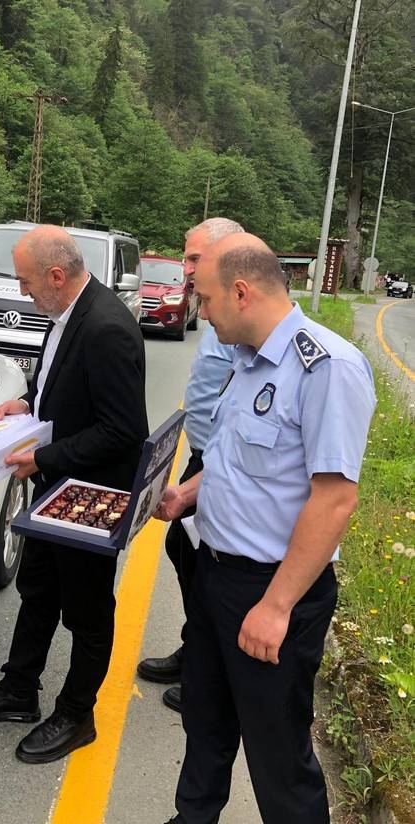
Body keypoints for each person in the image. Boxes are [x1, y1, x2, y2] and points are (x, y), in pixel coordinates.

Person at [157, 233, 375, 824]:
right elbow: (234, 461)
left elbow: (334, 500)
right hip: (216, 579)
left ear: (241, 291)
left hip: (272, 593)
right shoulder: (248, 360)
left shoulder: (326, 367)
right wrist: (186, 495)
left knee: (278, 757)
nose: (202, 313)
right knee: (204, 722)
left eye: (204, 299)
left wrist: (276, 607)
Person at [0, 224, 149, 764]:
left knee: (87, 611)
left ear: (56, 275)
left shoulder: (107, 327)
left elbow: (122, 430)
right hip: (57, 484)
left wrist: (42, 456)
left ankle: (76, 712)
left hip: (90, 494)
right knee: (38, 588)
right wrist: (29, 406)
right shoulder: (67, 312)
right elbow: (63, 381)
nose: (22, 292)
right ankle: (19, 690)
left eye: (26, 282)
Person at [137, 218, 242, 714]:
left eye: (195, 258)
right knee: (184, 548)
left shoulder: (246, 316)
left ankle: (210, 673)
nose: (186, 267)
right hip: (203, 454)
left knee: (210, 566)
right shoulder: (215, 307)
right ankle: (195, 649)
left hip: (226, 465)